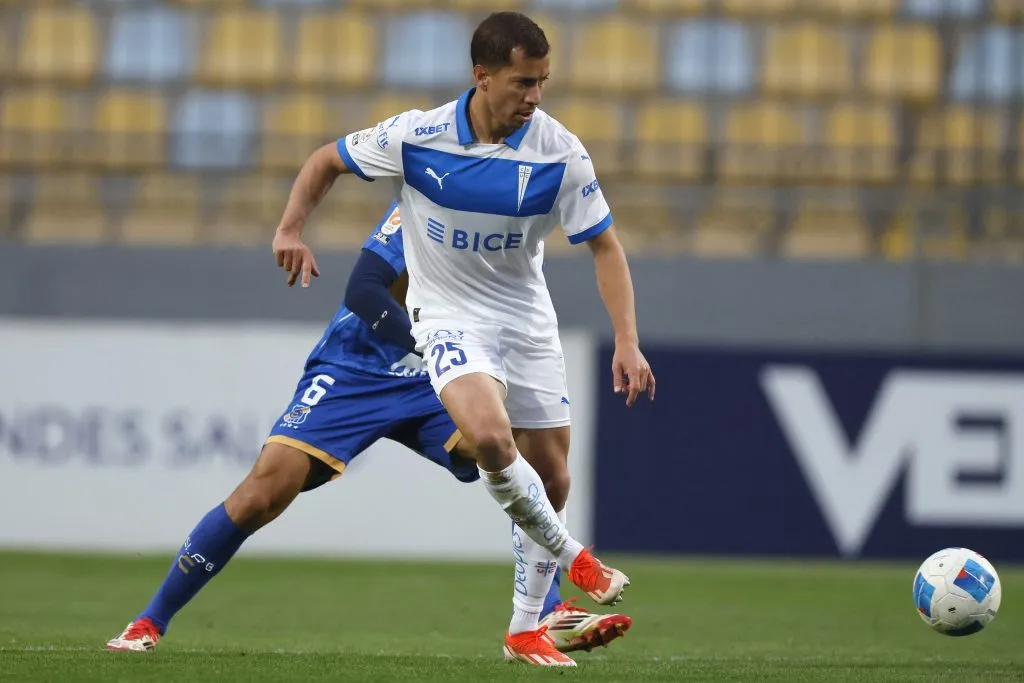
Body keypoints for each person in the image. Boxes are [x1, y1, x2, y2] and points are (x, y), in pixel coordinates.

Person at [269, 11, 654, 668]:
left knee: (554, 475)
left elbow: (605, 247)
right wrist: (290, 228)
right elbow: (324, 161)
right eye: (523, 82)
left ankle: (525, 627)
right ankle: (574, 558)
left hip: (526, 319)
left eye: (542, 82)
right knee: (490, 439)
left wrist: (627, 339)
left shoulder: (559, 149)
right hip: (448, 316)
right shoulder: (416, 136)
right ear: (482, 75)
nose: (535, 96)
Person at [105, 202, 631, 656]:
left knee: (518, 456)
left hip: (434, 377)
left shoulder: (516, 221)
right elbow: (364, 291)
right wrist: (430, 343)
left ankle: (548, 610)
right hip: (357, 367)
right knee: (262, 493)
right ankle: (150, 620)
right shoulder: (430, 196)